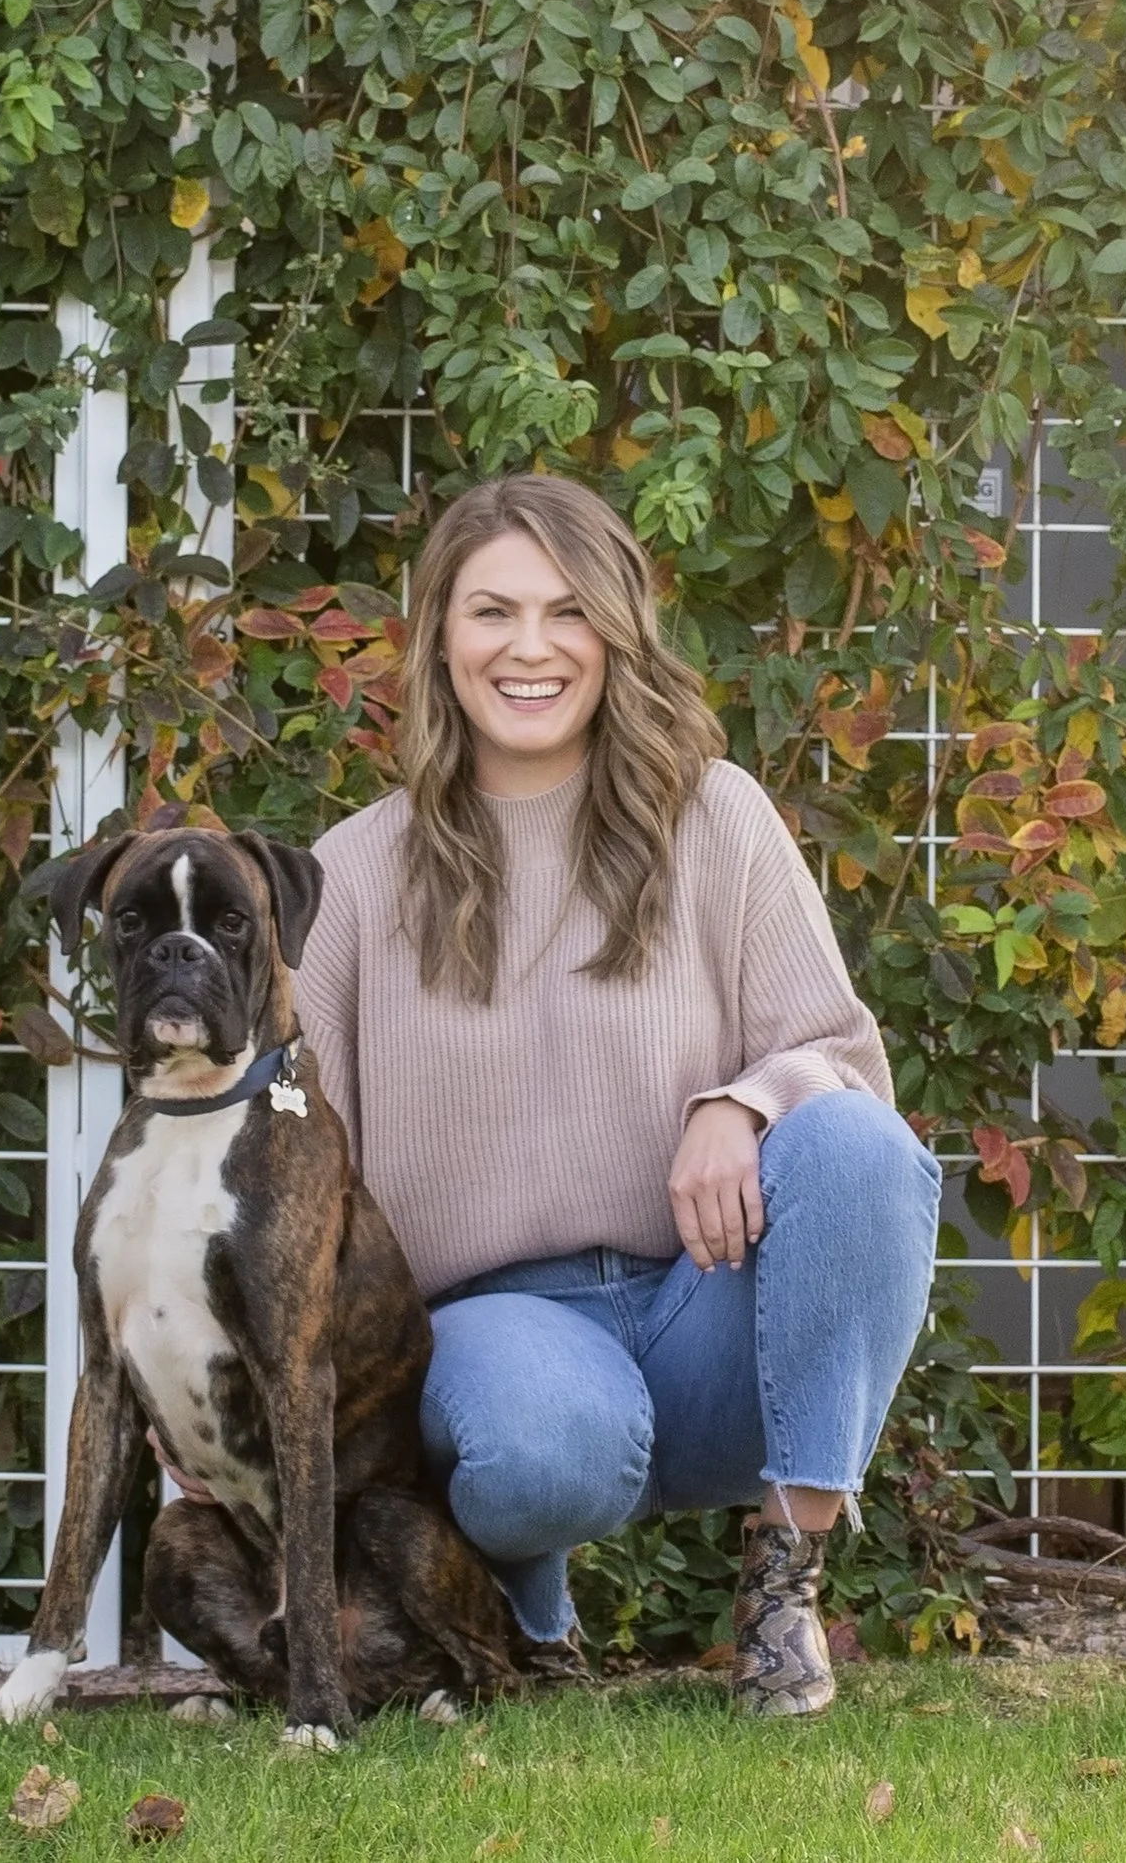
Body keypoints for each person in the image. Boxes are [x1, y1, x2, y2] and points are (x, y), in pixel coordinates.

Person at [293, 472, 940, 1715]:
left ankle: (782, 1586)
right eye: (491, 612)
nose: (529, 648)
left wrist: (743, 1102)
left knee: (855, 1148)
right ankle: (519, 1615)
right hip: (490, 1337)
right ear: (437, 635)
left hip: (705, 1305)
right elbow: (290, 1178)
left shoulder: (716, 818)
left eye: (565, 610)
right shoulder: (357, 874)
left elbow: (844, 1061)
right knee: (545, 1445)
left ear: (615, 630)